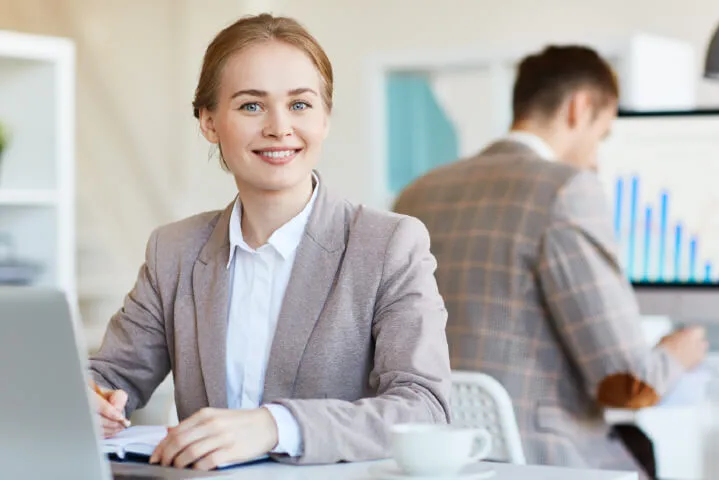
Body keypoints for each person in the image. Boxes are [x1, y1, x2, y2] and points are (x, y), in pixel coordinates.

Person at [88, 13, 451, 471]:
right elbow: (110, 375)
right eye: (251, 106)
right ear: (209, 122)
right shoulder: (174, 250)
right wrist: (85, 397)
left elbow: (425, 408)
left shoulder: (389, 245)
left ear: (325, 118)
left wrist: (276, 425)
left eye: (300, 104)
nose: (280, 128)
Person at [393, 45, 707, 479]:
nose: (597, 158)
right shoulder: (566, 190)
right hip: (545, 459)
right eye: (603, 134)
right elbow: (628, 383)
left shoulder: (417, 193)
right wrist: (679, 353)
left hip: (442, 458)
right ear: (579, 108)